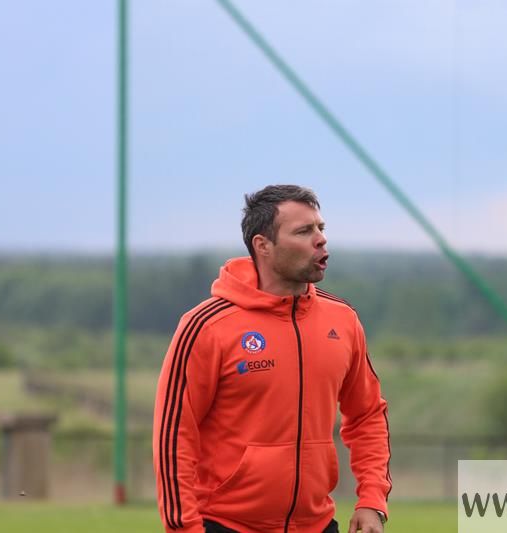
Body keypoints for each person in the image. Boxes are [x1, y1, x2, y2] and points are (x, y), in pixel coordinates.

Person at [153, 185, 392, 533]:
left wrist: (372, 500)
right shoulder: (206, 326)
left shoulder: (343, 320)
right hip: (226, 525)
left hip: (316, 524)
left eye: (321, 228)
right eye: (304, 231)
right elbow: (174, 436)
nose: (321, 239)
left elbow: (367, 415)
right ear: (262, 245)